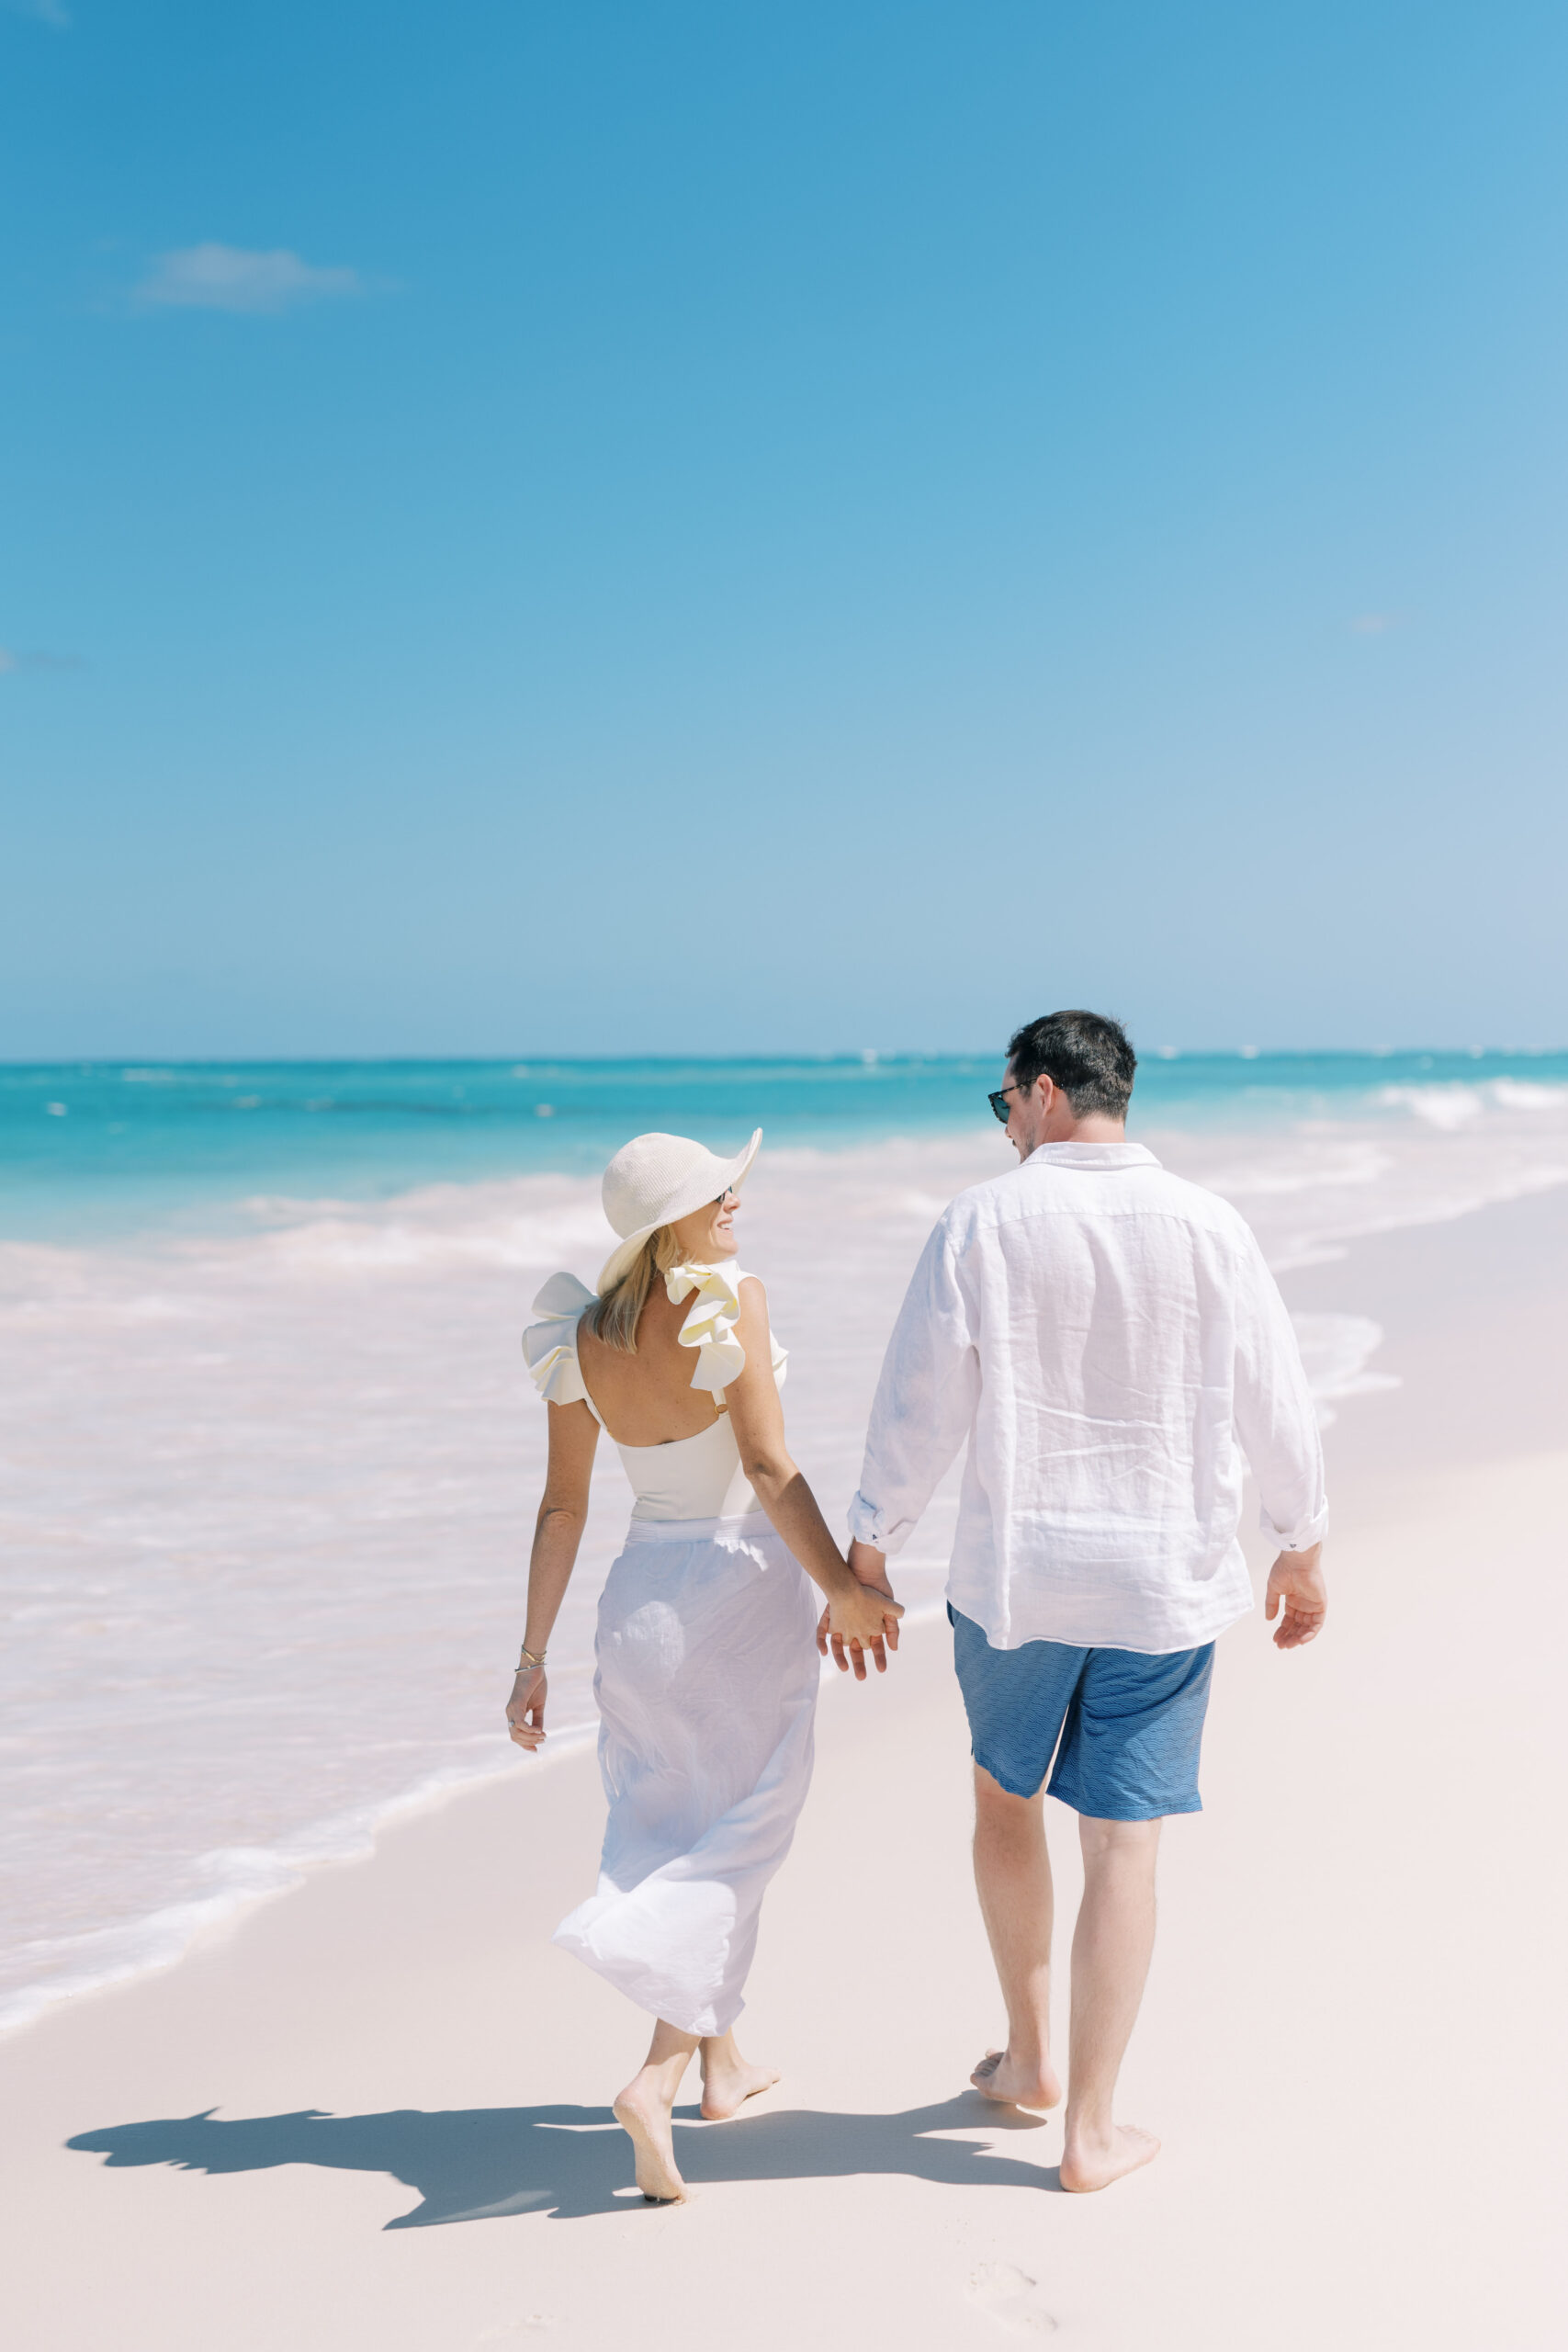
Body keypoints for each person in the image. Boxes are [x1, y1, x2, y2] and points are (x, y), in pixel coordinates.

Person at [828, 1010, 1327, 2193]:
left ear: (1043, 1092)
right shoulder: (1211, 1224)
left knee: (1008, 1809)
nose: (1003, 1123)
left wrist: (870, 1549)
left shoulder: (983, 1221)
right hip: (1165, 1582)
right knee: (1126, 1848)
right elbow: (1276, 1391)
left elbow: (919, 1405)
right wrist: (1298, 1542)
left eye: (1003, 1103)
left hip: (1019, 1582)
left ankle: (1032, 2058)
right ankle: (1091, 2129)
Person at [508, 1126, 900, 2205]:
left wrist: (530, 1658)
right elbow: (770, 1468)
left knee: (686, 1826)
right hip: (736, 1598)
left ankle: (723, 2065)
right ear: (665, 1221)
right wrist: (844, 1589)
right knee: (737, 1839)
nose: (736, 1197)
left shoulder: (577, 1336)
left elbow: (563, 1506)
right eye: (715, 1188)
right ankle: (658, 2076)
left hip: (636, 1608)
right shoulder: (732, 1298)